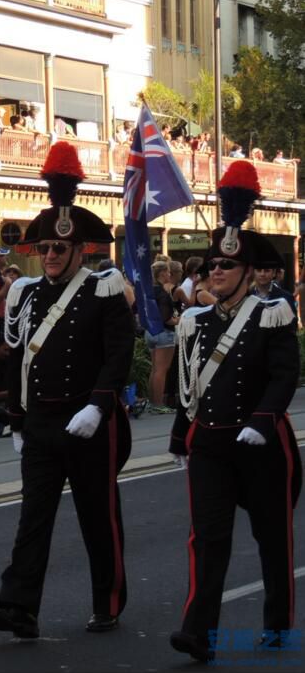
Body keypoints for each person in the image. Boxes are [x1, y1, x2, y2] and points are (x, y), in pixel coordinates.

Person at [0, 141, 134, 639]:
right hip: (43, 423)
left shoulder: (102, 289)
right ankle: (18, 607)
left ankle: (107, 602)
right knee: (33, 518)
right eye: (43, 248)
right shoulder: (27, 294)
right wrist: (18, 421)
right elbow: (20, 361)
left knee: (98, 517)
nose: (48, 255)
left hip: (88, 422)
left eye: (58, 249)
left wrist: (99, 406)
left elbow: (117, 357)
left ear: (79, 250)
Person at [169, 161, 302, 663]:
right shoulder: (196, 322)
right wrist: (180, 435)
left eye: (226, 266)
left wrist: (263, 422)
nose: (216, 272)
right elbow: (189, 388)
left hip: (260, 444)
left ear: (248, 272)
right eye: (211, 266)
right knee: (208, 538)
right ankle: (198, 632)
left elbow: (284, 375)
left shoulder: (271, 314)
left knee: (272, 538)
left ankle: (277, 626)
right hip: (211, 444)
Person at [145, 261, 179, 413]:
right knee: (162, 370)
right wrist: (180, 320)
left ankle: (153, 402)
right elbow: (166, 318)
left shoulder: (150, 291)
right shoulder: (163, 294)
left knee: (155, 369)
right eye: (168, 272)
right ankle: (158, 405)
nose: (169, 274)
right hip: (164, 333)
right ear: (163, 273)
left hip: (150, 332)